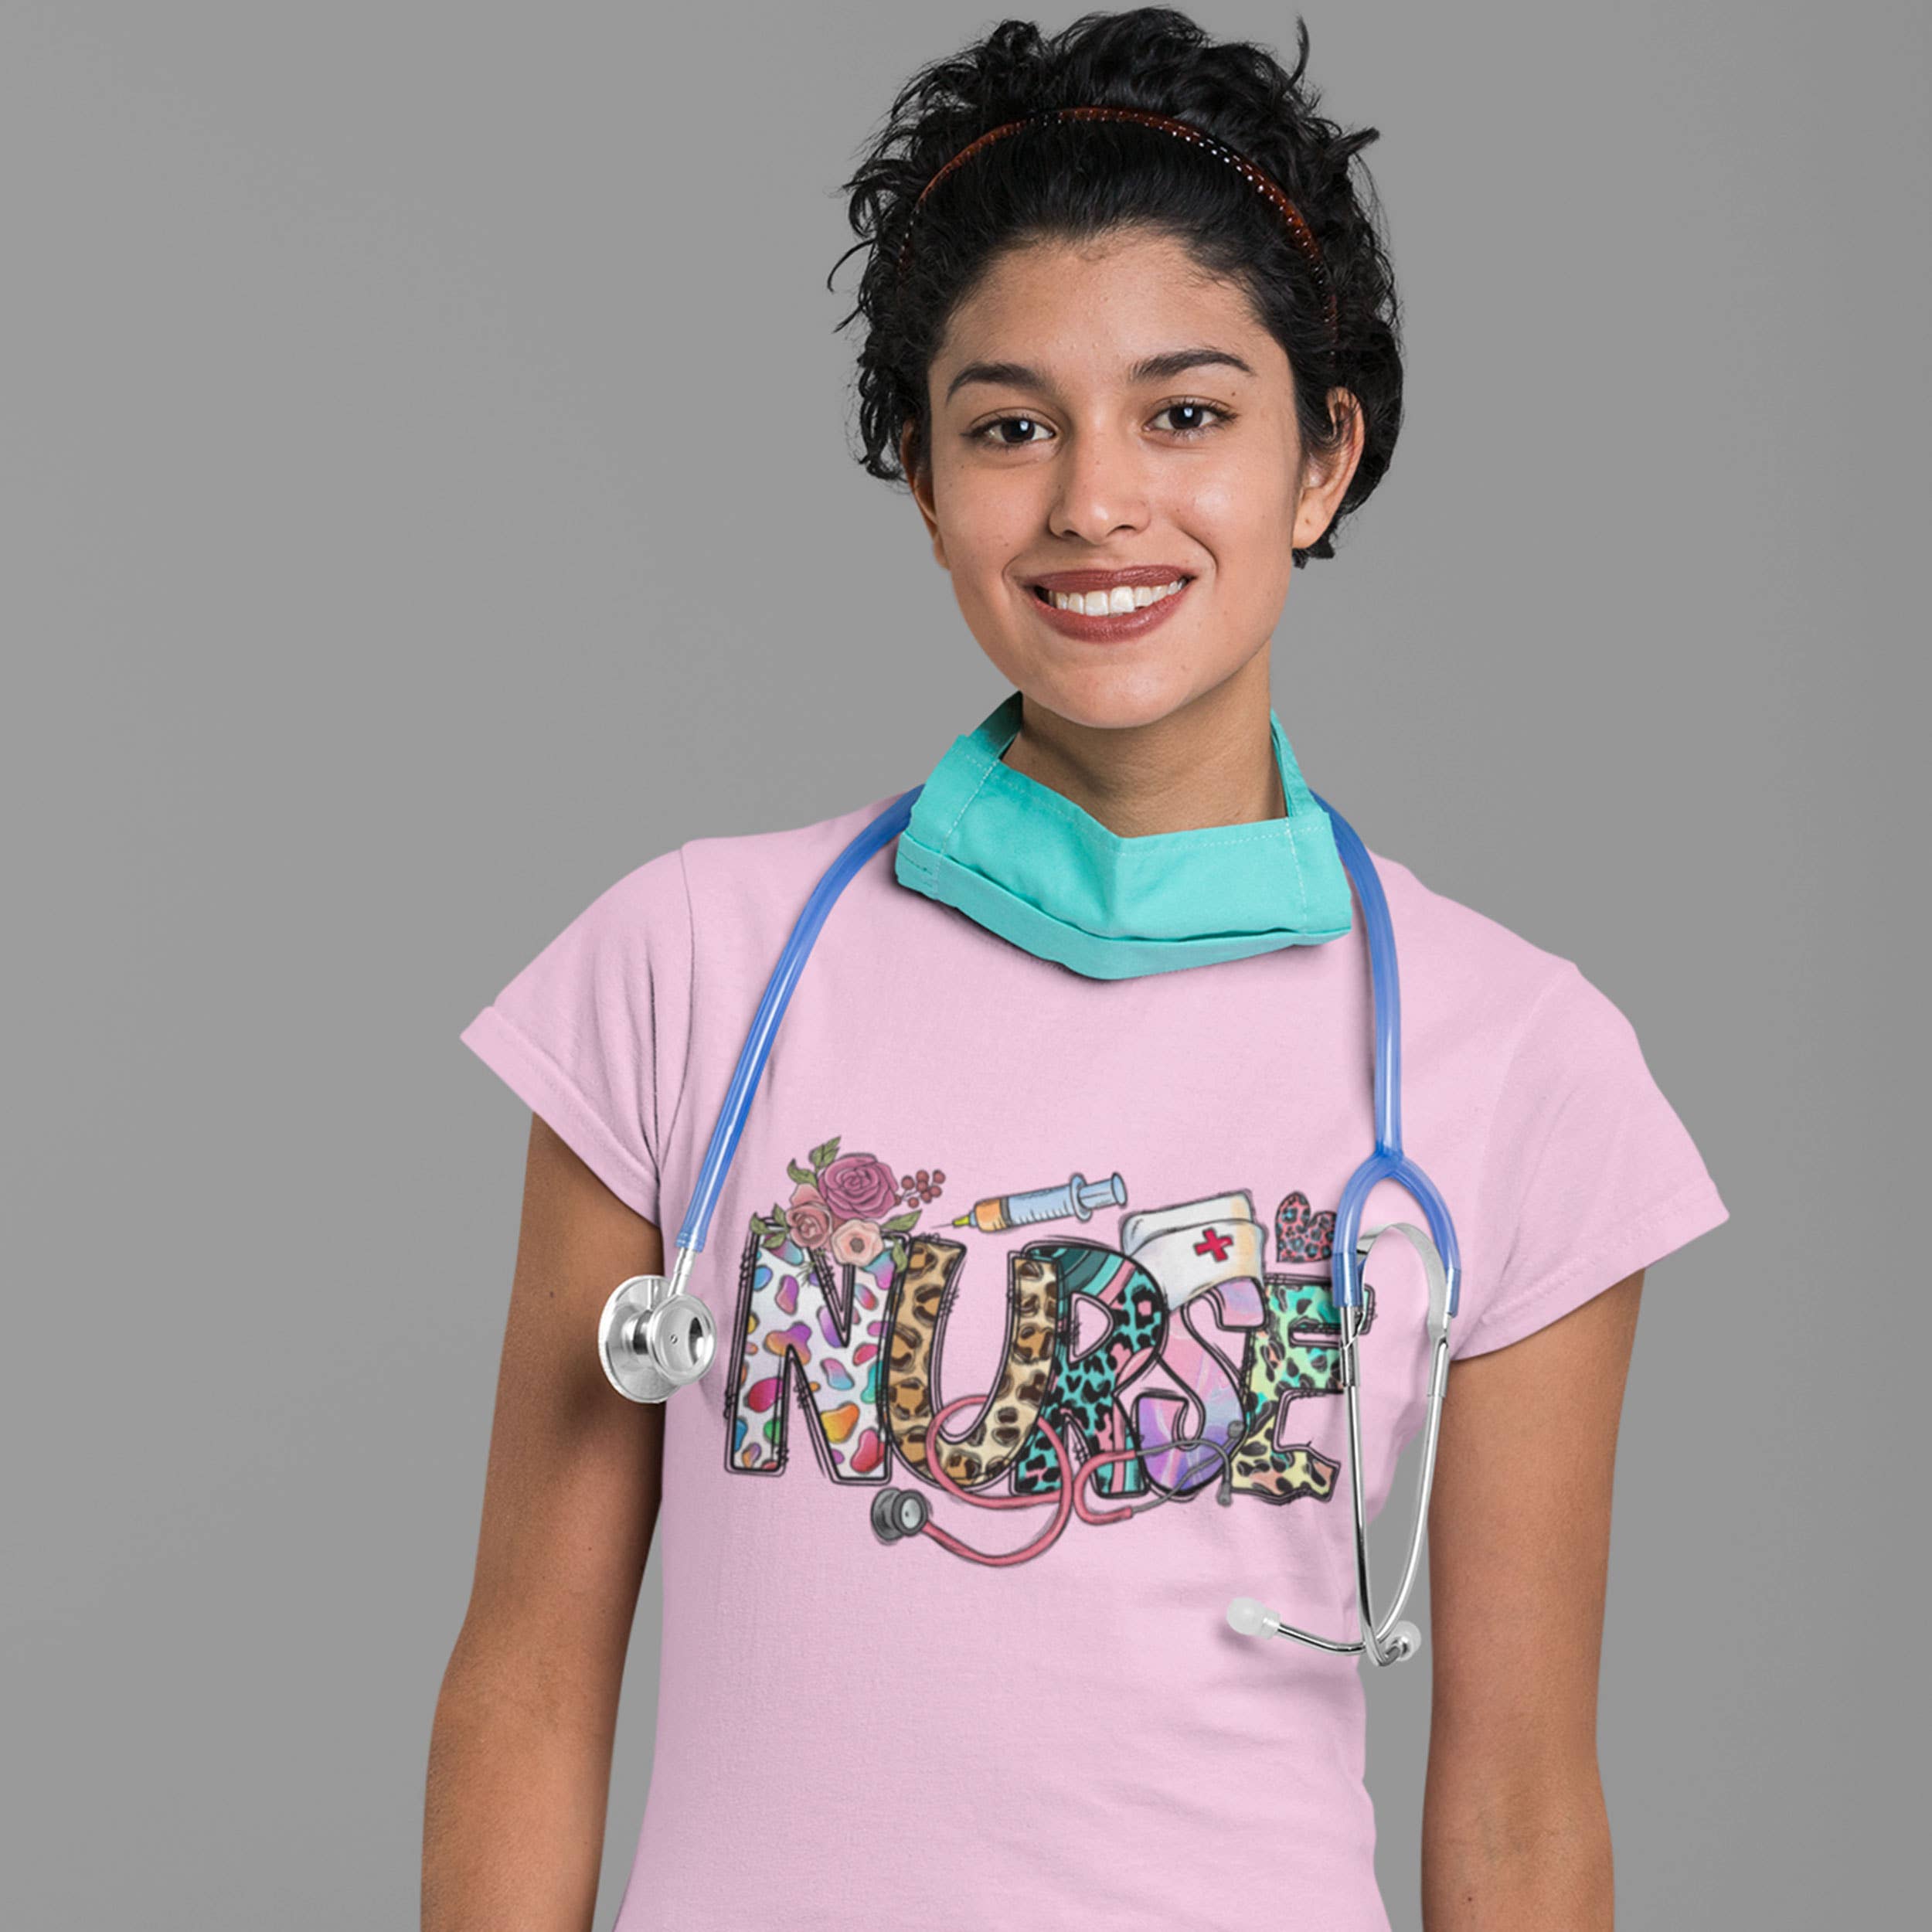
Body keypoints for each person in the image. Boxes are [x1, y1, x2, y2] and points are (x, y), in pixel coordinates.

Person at [423, 10, 1729, 1930]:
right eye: (1008, 424)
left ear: (1322, 456)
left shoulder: (1515, 1060)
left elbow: (1521, 1808)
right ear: (921, 475)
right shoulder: (687, 970)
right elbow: (530, 1682)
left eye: (1184, 414)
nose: (1093, 502)